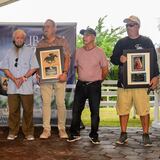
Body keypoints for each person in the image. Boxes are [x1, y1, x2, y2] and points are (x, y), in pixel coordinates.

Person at [110, 15, 159, 146]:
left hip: (141, 83)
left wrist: (156, 76)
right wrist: (119, 59)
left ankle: (145, 134)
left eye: (131, 25)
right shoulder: (121, 42)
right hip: (123, 83)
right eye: (127, 25)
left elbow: (153, 60)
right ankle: (123, 134)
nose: (128, 27)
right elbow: (113, 59)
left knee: (144, 110)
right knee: (123, 110)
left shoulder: (147, 41)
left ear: (138, 26)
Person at [67, 28, 109, 144]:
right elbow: (76, 68)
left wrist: (99, 81)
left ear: (93, 37)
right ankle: (74, 133)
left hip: (94, 86)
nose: (84, 37)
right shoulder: (78, 51)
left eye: (87, 35)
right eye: (83, 35)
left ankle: (94, 135)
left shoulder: (100, 52)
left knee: (94, 112)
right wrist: (83, 77)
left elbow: (105, 70)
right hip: (80, 85)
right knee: (76, 110)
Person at [0, 29, 39, 140]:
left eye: (22, 38)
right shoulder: (9, 51)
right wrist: (14, 79)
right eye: (17, 37)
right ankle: (13, 132)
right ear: (14, 39)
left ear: (24, 39)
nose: (19, 39)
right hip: (12, 87)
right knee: (13, 111)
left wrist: (23, 78)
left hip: (26, 87)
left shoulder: (30, 51)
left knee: (28, 111)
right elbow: (4, 67)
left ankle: (28, 133)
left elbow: (34, 67)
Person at [36, 19, 70, 139]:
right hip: (45, 79)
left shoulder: (62, 41)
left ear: (55, 28)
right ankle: (46, 129)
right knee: (46, 103)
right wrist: (37, 72)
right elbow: (37, 62)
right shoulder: (40, 44)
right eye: (44, 27)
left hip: (60, 78)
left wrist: (65, 72)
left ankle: (62, 129)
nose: (45, 29)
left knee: (60, 103)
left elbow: (67, 58)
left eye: (48, 26)